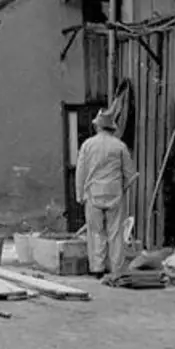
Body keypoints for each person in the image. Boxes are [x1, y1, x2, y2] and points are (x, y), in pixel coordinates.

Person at [75, 110, 132, 280]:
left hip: (94, 193)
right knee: (115, 232)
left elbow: (81, 171)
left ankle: (97, 268)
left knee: (95, 231)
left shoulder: (87, 145)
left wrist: (80, 194)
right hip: (114, 193)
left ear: (98, 126)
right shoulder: (120, 146)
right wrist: (123, 187)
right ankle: (116, 269)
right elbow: (129, 173)